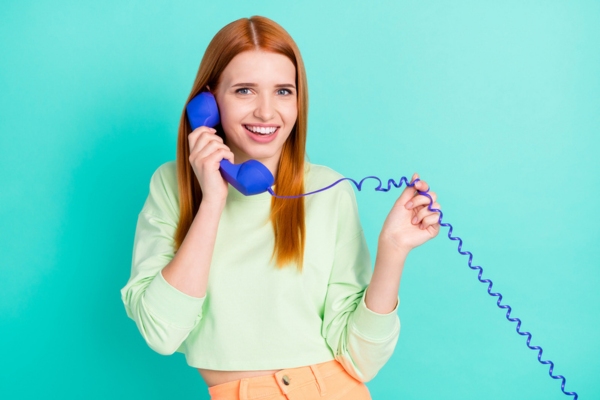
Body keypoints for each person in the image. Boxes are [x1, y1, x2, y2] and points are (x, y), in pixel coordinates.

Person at [121, 15, 441, 400]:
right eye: (244, 91)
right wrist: (213, 200)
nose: (267, 112)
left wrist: (392, 251)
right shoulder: (172, 186)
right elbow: (161, 332)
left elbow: (360, 360)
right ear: (209, 101)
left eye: (283, 91)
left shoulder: (328, 190)